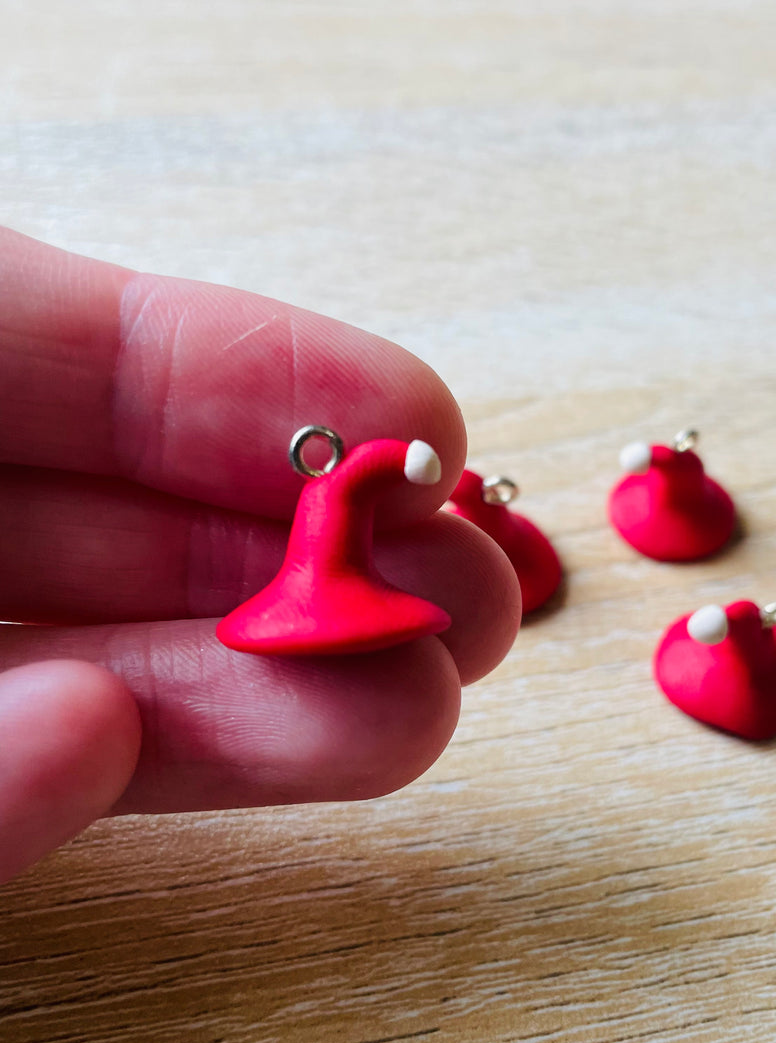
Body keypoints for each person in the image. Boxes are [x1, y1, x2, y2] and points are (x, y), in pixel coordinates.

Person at [0, 227, 522, 885]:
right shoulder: (329, 489)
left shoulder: (336, 486)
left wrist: (392, 463)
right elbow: (353, 480)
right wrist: (396, 463)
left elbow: (356, 479)